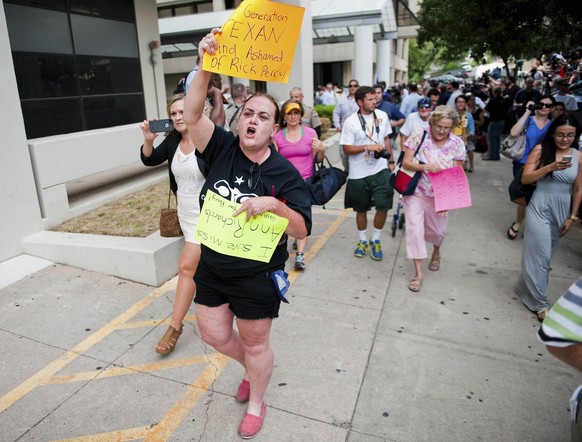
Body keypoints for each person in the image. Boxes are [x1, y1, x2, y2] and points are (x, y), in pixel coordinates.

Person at [183, 29, 312, 440]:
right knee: (214, 334)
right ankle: (252, 371)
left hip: (256, 276)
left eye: (263, 116)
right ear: (240, 120)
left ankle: (257, 399)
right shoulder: (220, 147)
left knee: (257, 345)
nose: (253, 120)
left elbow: (302, 227)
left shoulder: (284, 174)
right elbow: (191, 113)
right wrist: (206, 63)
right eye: (249, 114)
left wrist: (273, 204)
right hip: (213, 268)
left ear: (274, 129)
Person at [139, 93, 204, 356]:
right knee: (204, 267)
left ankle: (175, 326)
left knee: (186, 266)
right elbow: (149, 159)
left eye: (182, 112)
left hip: (209, 216)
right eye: (173, 113)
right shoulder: (173, 142)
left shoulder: (207, 141)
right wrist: (147, 140)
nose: (178, 117)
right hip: (186, 215)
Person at [514, 114, 582, 322]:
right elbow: (526, 178)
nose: (564, 139)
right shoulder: (541, 150)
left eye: (570, 136)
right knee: (542, 257)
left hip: (562, 208)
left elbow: (578, 188)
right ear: (552, 134)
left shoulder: (578, 156)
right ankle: (540, 303)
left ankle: (523, 287)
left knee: (544, 255)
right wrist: (549, 167)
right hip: (540, 205)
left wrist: (572, 217)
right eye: (560, 135)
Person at [401, 105, 466, 292]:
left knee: (438, 231)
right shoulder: (419, 135)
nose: (442, 131)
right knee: (414, 230)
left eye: (447, 127)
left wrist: (447, 200)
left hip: (439, 196)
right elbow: (406, 162)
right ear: (432, 123)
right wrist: (426, 167)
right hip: (416, 192)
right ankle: (418, 274)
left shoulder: (457, 143)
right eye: (438, 126)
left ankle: (436, 252)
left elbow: (457, 173)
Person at [339, 85, 395, 261]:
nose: (374, 101)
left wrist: (391, 161)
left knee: (383, 205)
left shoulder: (383, 116)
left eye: (375, 98)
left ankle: (376, 239)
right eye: (370, 99)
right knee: (361, 209)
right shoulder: (351, 122)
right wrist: (367, 147)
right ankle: (362, 241)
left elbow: (386, 138)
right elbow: (347, 149)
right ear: (360, 102)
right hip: (358, 173)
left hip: (380, 169)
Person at [273, 100, 325, 270]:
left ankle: (300, 255)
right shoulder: (278, 136)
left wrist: (322, 150)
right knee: (284, 217)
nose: (293, 116)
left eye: (296, 112)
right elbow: (275, 163)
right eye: (289, 113)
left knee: (303, 217)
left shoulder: (310, 133)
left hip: (306, 183)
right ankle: (284, 244)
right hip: (285, 185)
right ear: (284, 116)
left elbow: (318, 160)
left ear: (301, 114)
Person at [506, 95, 555, 240]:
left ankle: (528, 224)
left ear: (552, 108)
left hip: (542, 165)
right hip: (522, 162)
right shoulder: (529, 119)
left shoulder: (553, 124)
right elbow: (514, 133)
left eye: (548, 105)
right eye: (541, 104)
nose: (544, 107)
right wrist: (528, 111)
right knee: (523, 195)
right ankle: (519, 223)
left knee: (536, 196)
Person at [333, 79, 360, 173]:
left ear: (358, 87)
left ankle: (355, 171)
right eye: (350, 86)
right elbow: (336, 113)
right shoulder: (341, 99)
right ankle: (348, 170)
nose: (352, 88)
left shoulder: (361, 100)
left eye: (355, 85)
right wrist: (337, 124)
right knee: (343, 154)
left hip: (358, 132)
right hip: (344, 131)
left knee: (357, 153)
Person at [374, 83, 405, 150]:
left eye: (378, 93)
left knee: (388, 158)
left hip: (387, 139)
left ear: (382, 93)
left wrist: (395, 123)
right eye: (374, 93)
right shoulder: (367, 106)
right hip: (371, 140)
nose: (376, 95)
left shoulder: (390, 106)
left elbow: (402, 118)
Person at [452, 95, 475, 172]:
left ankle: (471, 164)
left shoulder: (469, 115)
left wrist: (467, 136)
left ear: (465, 103)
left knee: (470, 148)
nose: (460, 104)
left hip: (465, 137)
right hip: (453, 138)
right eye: (458, 102)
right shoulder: (452, 115)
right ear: (455, 103)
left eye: (462, 102)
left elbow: (472, 129)